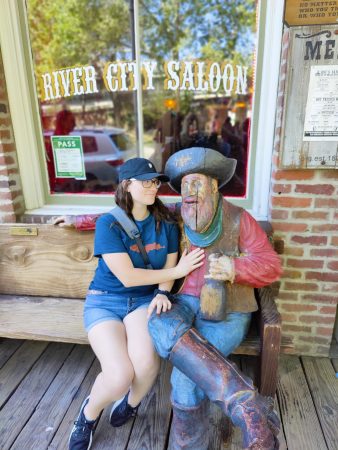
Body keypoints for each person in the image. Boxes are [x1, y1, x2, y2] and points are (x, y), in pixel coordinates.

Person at [61, 157, 204, 450]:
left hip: (144, 301)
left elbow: (168, 262)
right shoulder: (109, 224)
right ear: (127, 185)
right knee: (118, 374)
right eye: (146, 182)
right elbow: (127, 276)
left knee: (147, 365)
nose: (154, 187)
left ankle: (132, 402)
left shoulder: (166, 222)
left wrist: (164, 292)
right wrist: (177, 274)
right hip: (105, 302)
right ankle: (88, 416)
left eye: (156, 182)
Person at [147, 147, 282, 450]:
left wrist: (237, 267)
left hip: (228, 313)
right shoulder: (178, 214)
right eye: (184, 186)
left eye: (196, 184)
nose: (189, 194)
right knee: (156, 320)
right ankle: (249, 405)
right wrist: (81, 220)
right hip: (181, 304)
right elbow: (132, 217)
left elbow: (272, 266)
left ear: (213, 185)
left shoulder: (238, 219)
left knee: (184, 379)